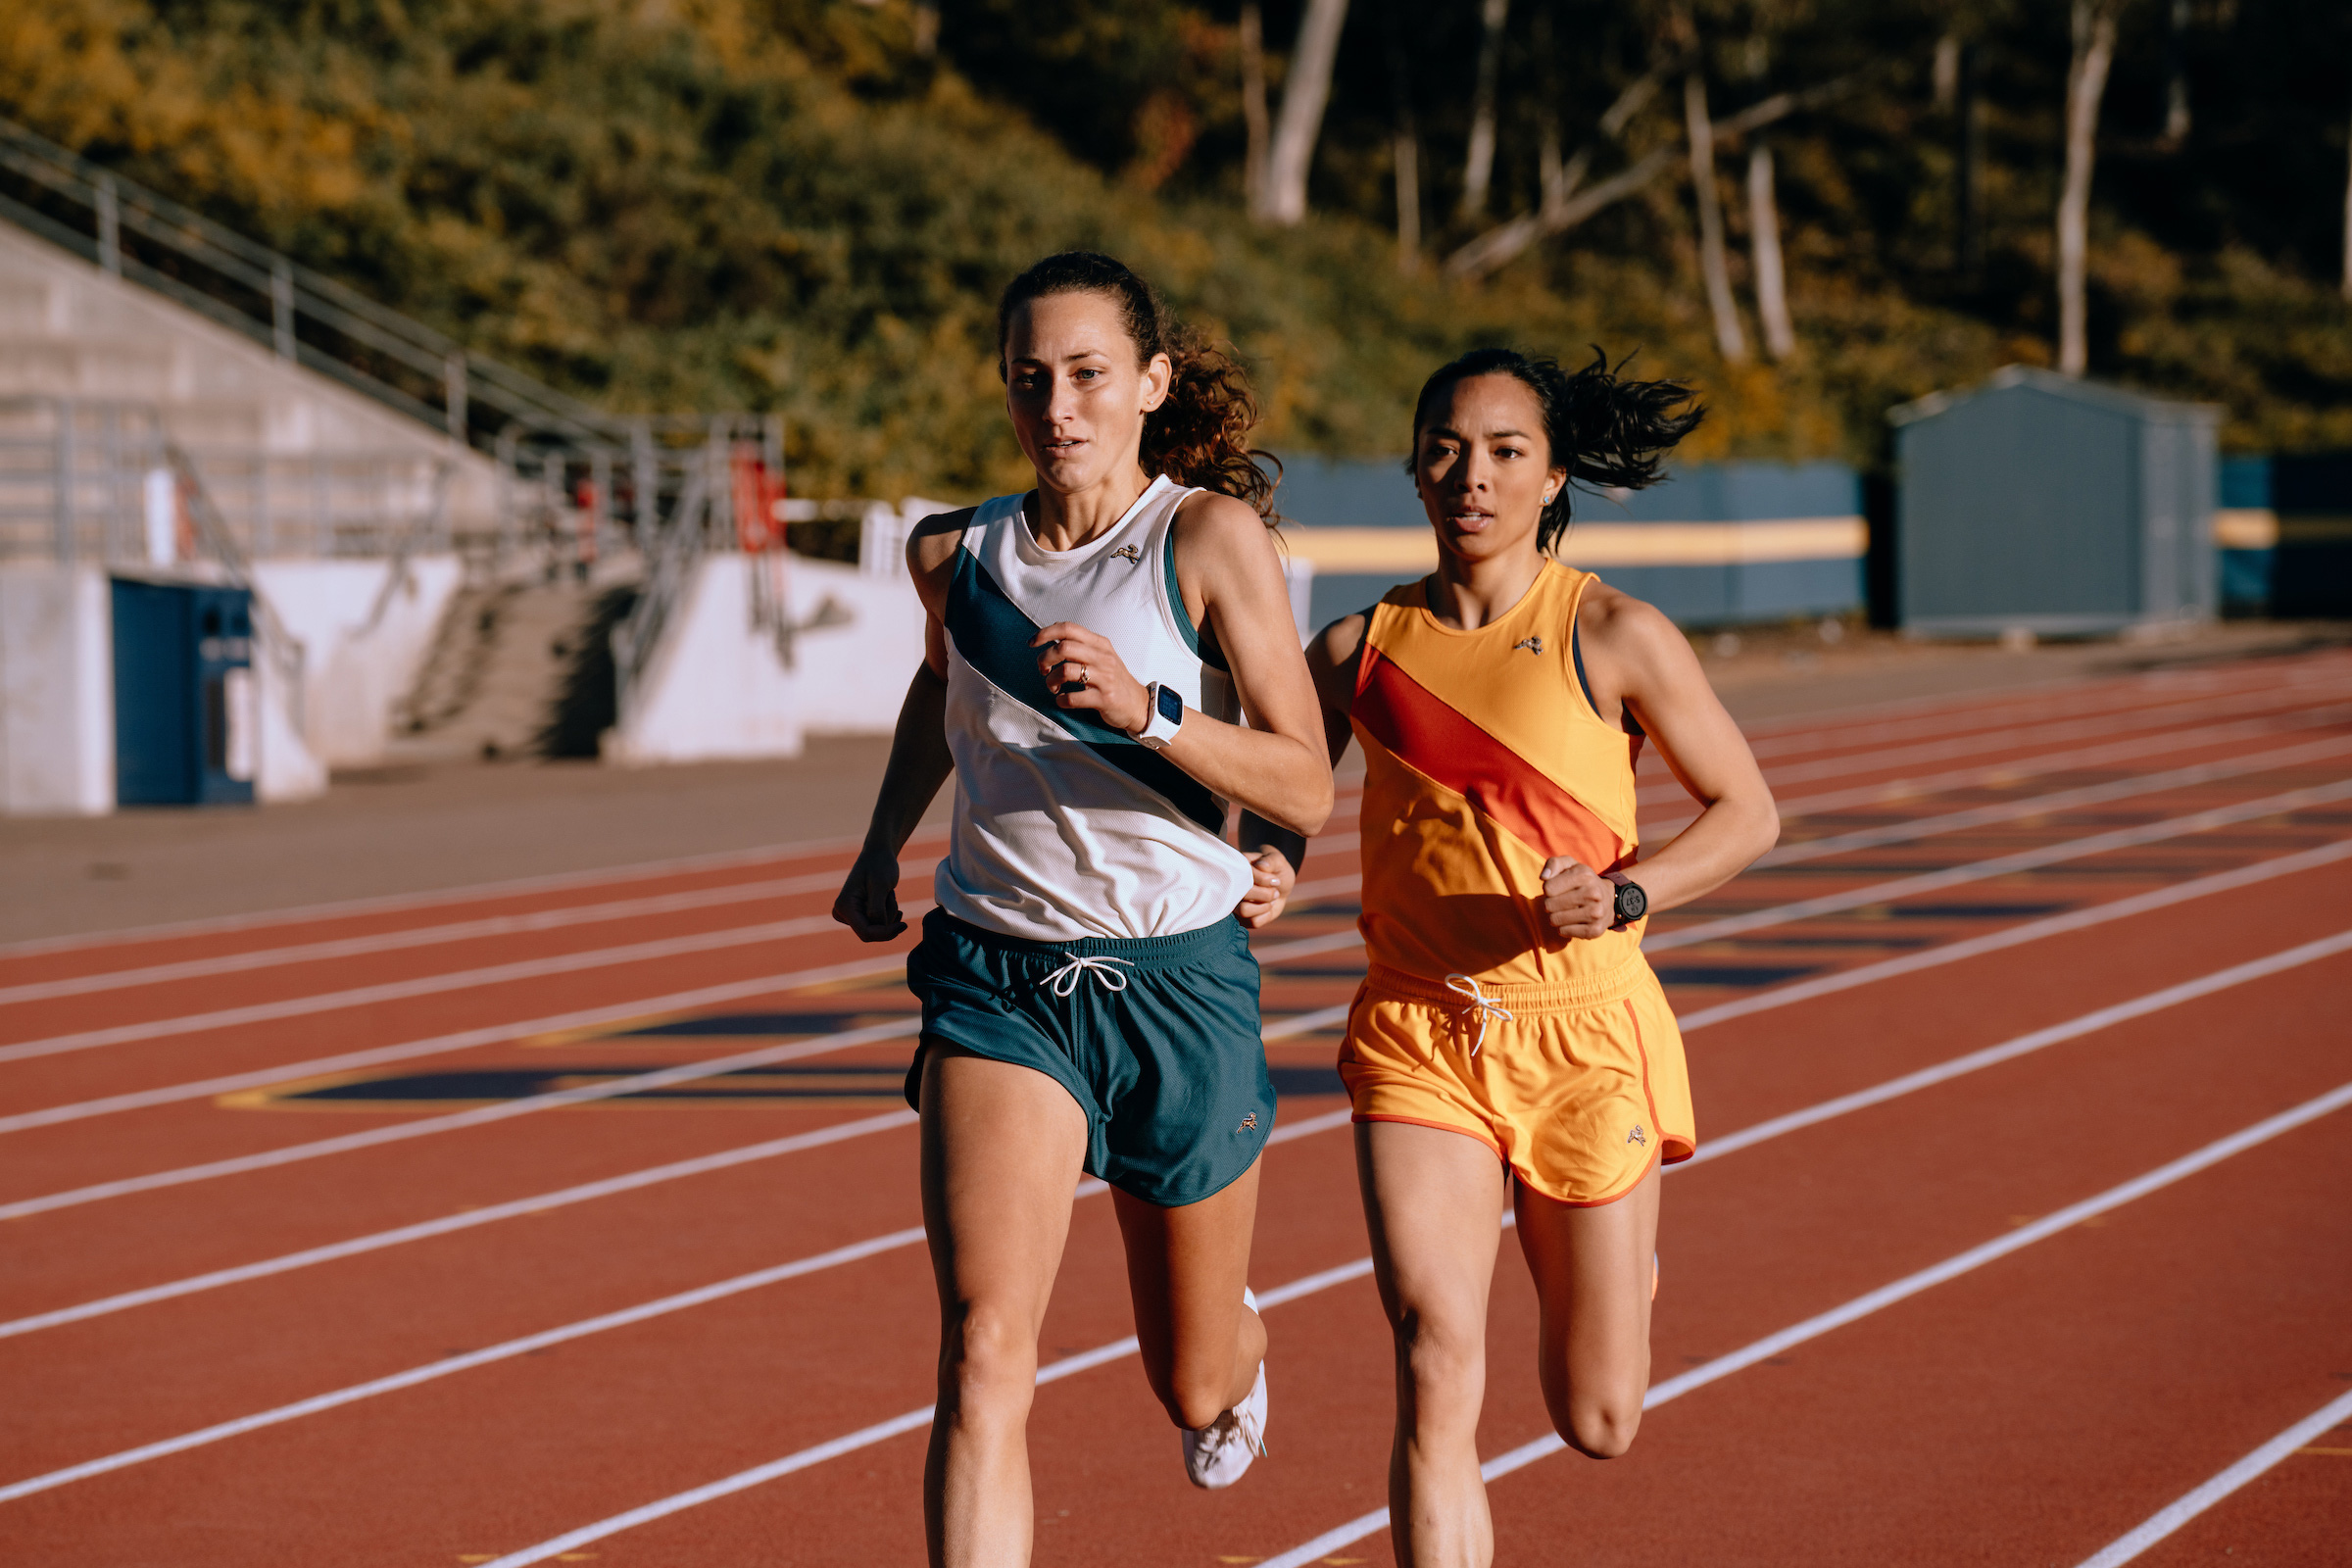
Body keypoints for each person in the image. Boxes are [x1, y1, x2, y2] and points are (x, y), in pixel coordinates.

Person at [831, 251, 1330, 1568]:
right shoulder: (954, 553)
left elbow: (1304, 778)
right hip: (1002, 984)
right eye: (1029, 377)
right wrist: (881, 844)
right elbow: (937, 700)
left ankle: (1239, 1343)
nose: (1057, 404)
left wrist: (1152, 712)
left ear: (1151, 384)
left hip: (1178, 985)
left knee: (1193, 1381)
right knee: (987, 1347)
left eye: (1089, 375)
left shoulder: (1208, 541)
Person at [1264, 347, 1779, 1567]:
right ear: (1415, 467)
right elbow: (1284, 790)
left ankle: (1624, 1263)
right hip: (1419, 1031)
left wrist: (1628, 891)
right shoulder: (1358, 651)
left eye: (1504, 452)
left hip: (1584, 1031)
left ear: (1553, 479)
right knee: (1434, 1352)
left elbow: (1749, 811)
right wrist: (1270, 858)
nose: (1472, 476)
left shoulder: (1615, 631)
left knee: (1596, 1415)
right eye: (1446, 448)